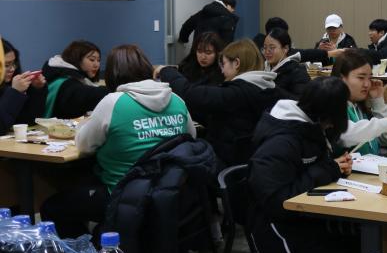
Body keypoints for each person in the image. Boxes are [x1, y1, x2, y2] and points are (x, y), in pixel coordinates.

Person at [41, 45, 195, 239]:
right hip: (169, 191)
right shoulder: (176, 99)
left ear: (113, 74)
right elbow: (190, 139)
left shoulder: (112, 102)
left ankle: (87, 252)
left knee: (53, 207)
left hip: (122, 192)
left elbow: (84, 145)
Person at [247, 77, 361, 253]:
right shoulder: (280, 142)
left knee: (366, 243)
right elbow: (277, 201)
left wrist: (335, 167)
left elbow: (308, 171)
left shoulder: (309, 127)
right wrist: (327, 170)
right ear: (328, 113)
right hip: (278, 233)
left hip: (306, 221)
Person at [159, 39, 279, 167]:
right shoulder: (268, 88)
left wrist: (166, 71)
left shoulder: (237, 92)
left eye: (224, 64)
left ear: (236, 63)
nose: (222, 71)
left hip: (227, 163)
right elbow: (220, 115)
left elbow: (189, 93)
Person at [332, 49, 387, 155]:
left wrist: (378, 101)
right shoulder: (332, 105)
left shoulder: (359, 106)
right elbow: (346, 135)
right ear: (342, 78)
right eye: (361, 78)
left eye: (369, 78)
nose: (367, 84)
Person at [42, 40, 107, 118]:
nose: (96, 65)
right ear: (77, 59)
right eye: (92, 60)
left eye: (98, 60)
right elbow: (87, 95)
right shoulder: (67, 82)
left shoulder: (62, 76)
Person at [1, 38, 46, 132]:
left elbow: (28, 121)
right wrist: (14, 93)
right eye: (6, 65)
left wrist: (36, 89)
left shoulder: (10, 85)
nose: (12, 69)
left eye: (14, 63)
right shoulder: (12, 90)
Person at [262, 28, 310, 99]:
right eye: (265, 47)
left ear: (285, 48)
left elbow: (301, 101)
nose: (267, 52)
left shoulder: (298, 72)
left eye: (272, 48)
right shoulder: (263, 68)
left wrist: (274, 89)